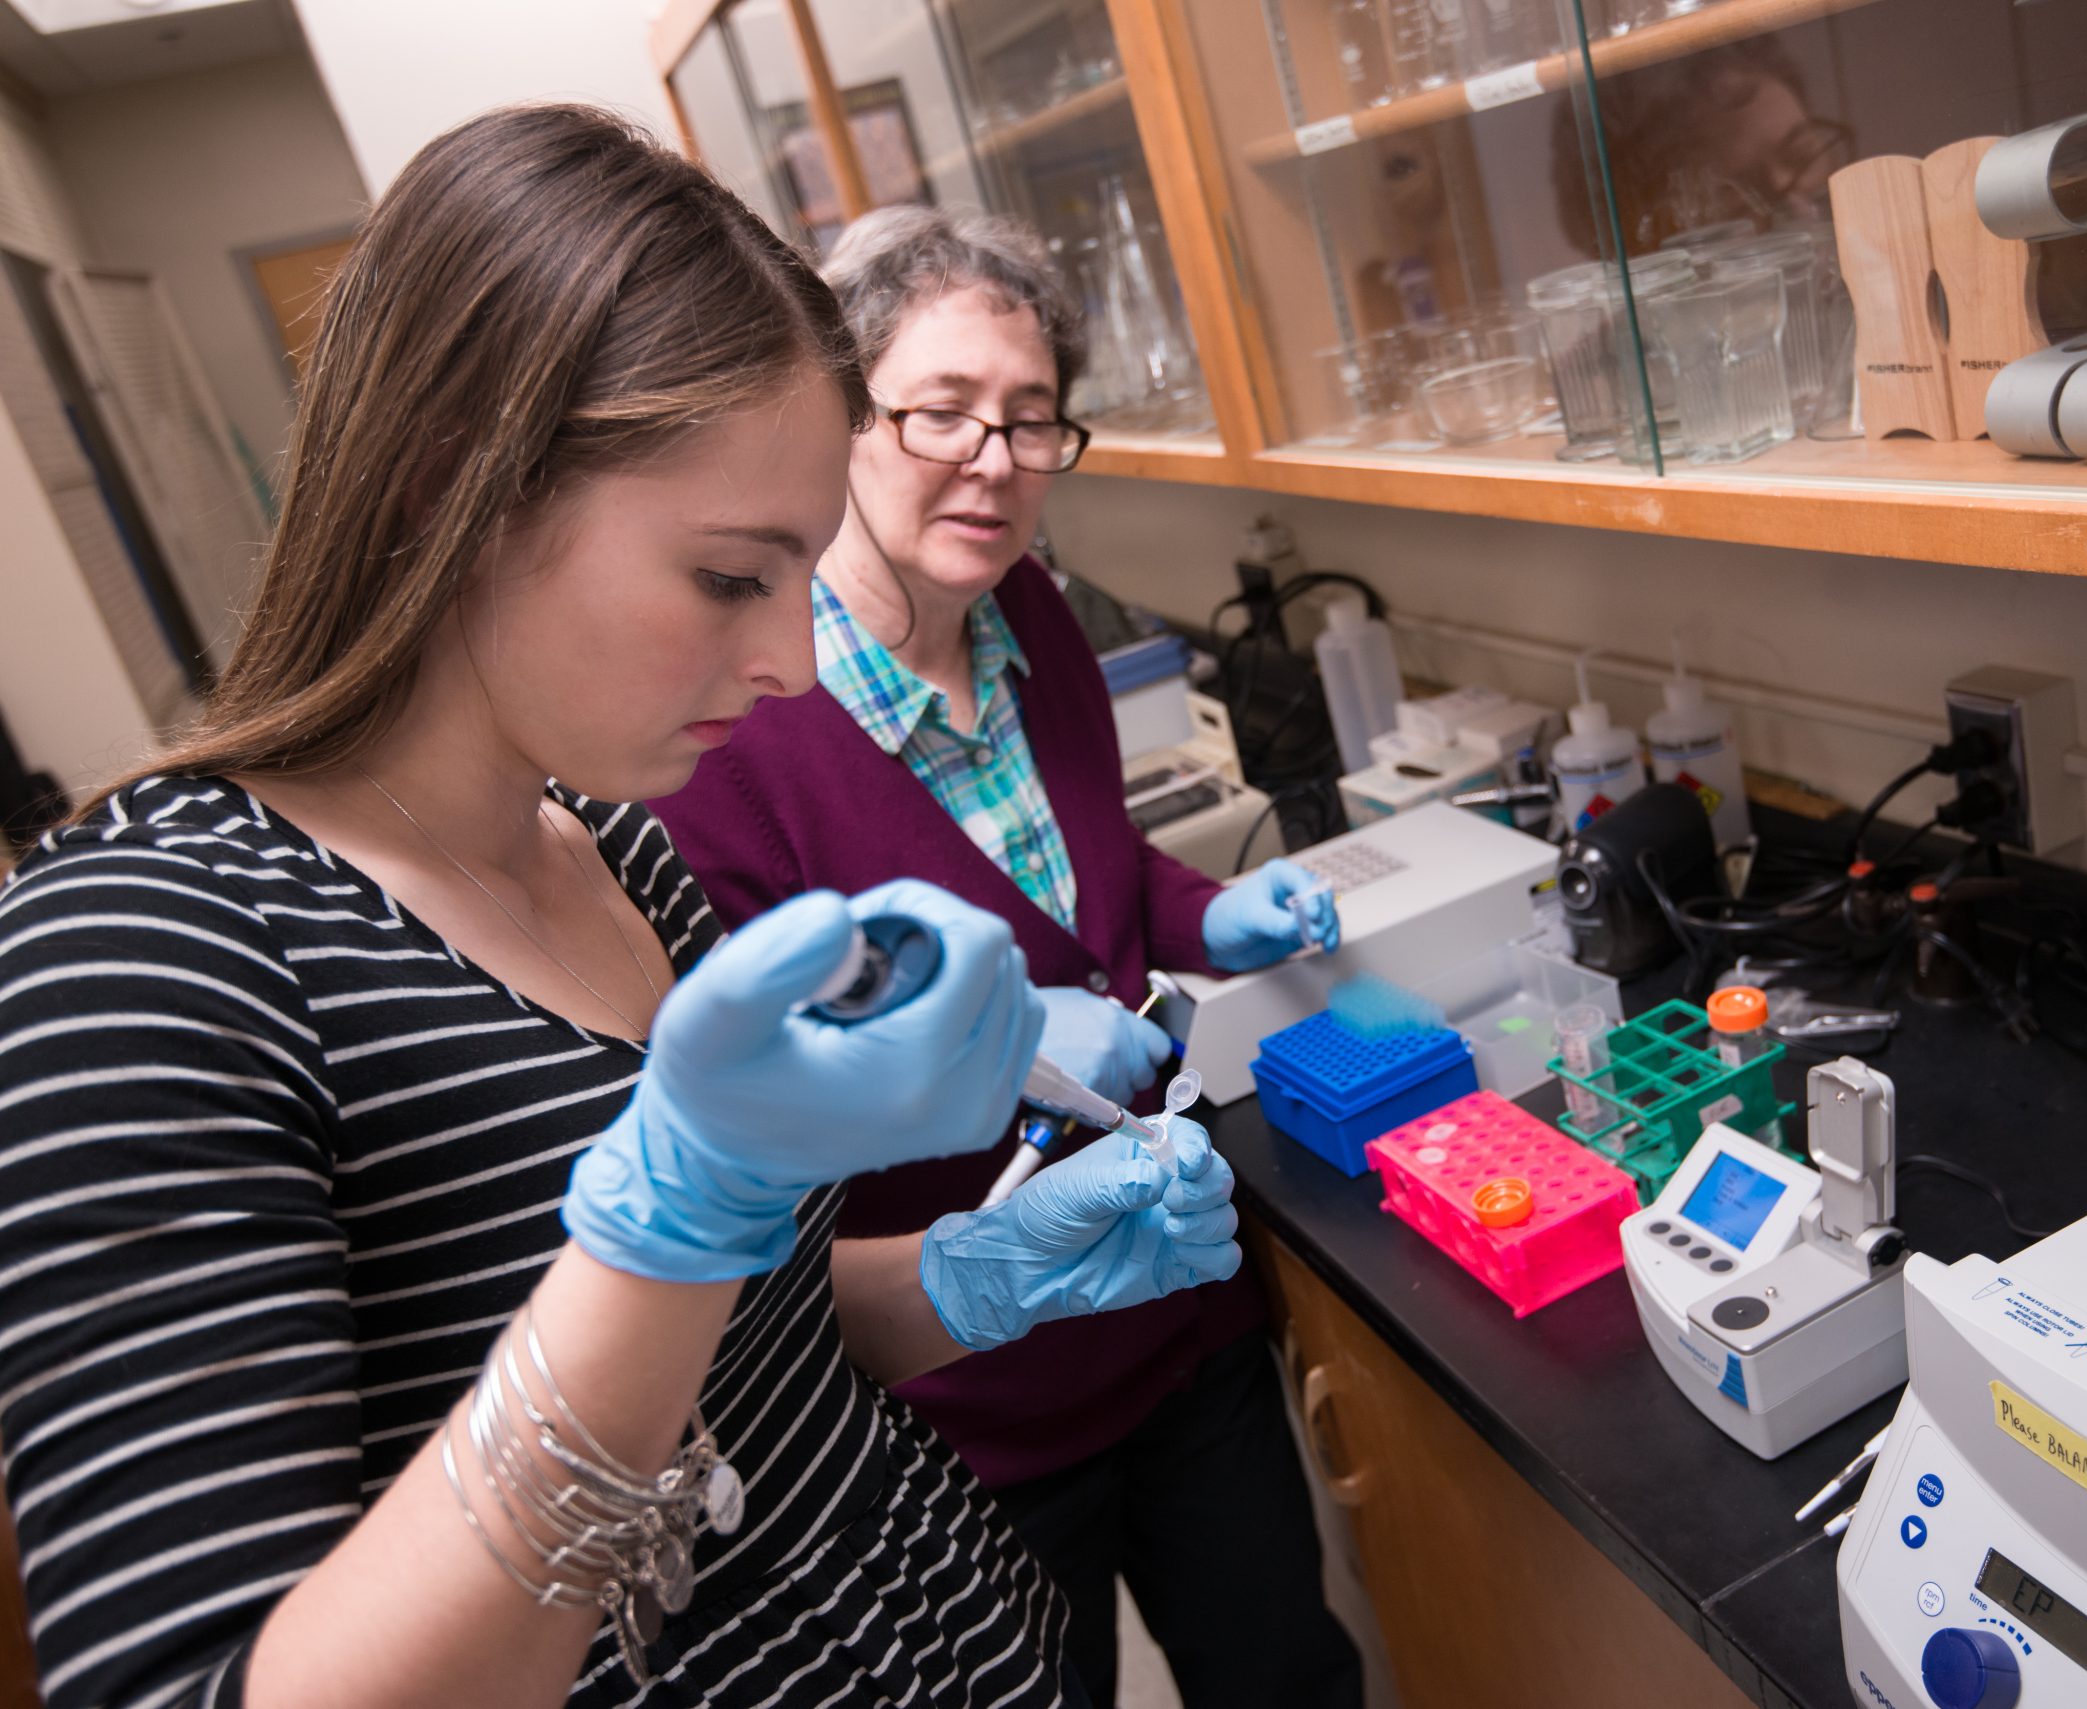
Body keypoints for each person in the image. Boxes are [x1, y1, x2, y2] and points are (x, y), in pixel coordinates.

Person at [0, 105, 1243, 1709]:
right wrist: (667, 1215)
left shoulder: (609, 846)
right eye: (733, 578)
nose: (792, 662)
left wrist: (967, 1271)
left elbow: (755, 1355)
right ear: (458, 488)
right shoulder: (143, 956)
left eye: (801, 581)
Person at [653, 204, 1364, 1708]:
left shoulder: (1026, 612)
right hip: (972, 1401)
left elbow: (1089, 876)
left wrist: (1195, 914)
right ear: (841, 414)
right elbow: (752, 1134)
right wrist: (1004, 1053)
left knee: (1288, 1672)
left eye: (1033, 421)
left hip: (1180, 1311)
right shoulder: (733, 737)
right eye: (945, 411)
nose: (995, 458)